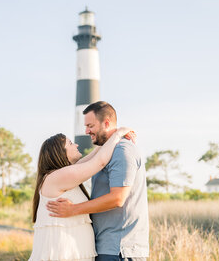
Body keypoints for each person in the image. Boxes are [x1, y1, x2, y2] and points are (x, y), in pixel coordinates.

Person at [47, 101, 149, 261]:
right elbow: (81, 166)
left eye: (90, 125)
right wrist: (118, 133)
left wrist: (73, 210)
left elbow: (118, 198)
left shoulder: (122, 151)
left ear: (106, 123)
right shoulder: (107, 151)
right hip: (107, 247)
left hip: (120, 248)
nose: (86, 131)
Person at [29, 127, 133, 261]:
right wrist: (119, 133)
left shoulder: (62, 175)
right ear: (60, 152)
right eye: (71, 143)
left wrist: (109, 138)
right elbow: (99, 162)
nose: (76, 144)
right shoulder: (58, 176)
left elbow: (95, 155)